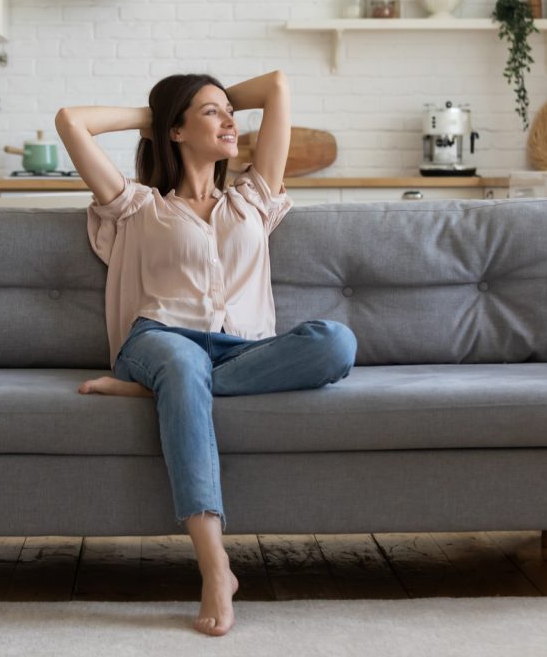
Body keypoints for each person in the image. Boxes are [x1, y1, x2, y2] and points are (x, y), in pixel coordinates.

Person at [55, 70, 357, 637]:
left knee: (336, 343)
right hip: (161, 340)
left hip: (242, 350)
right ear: (174, 131)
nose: (231, 121)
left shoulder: (254, 199)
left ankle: (166, 392)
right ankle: (215, 564)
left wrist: (206, 108)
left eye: (229, 111)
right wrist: (154, 114)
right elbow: (71, 121)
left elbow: (276, 87)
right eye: (212, 113)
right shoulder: (136, 206)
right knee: (182, 363)